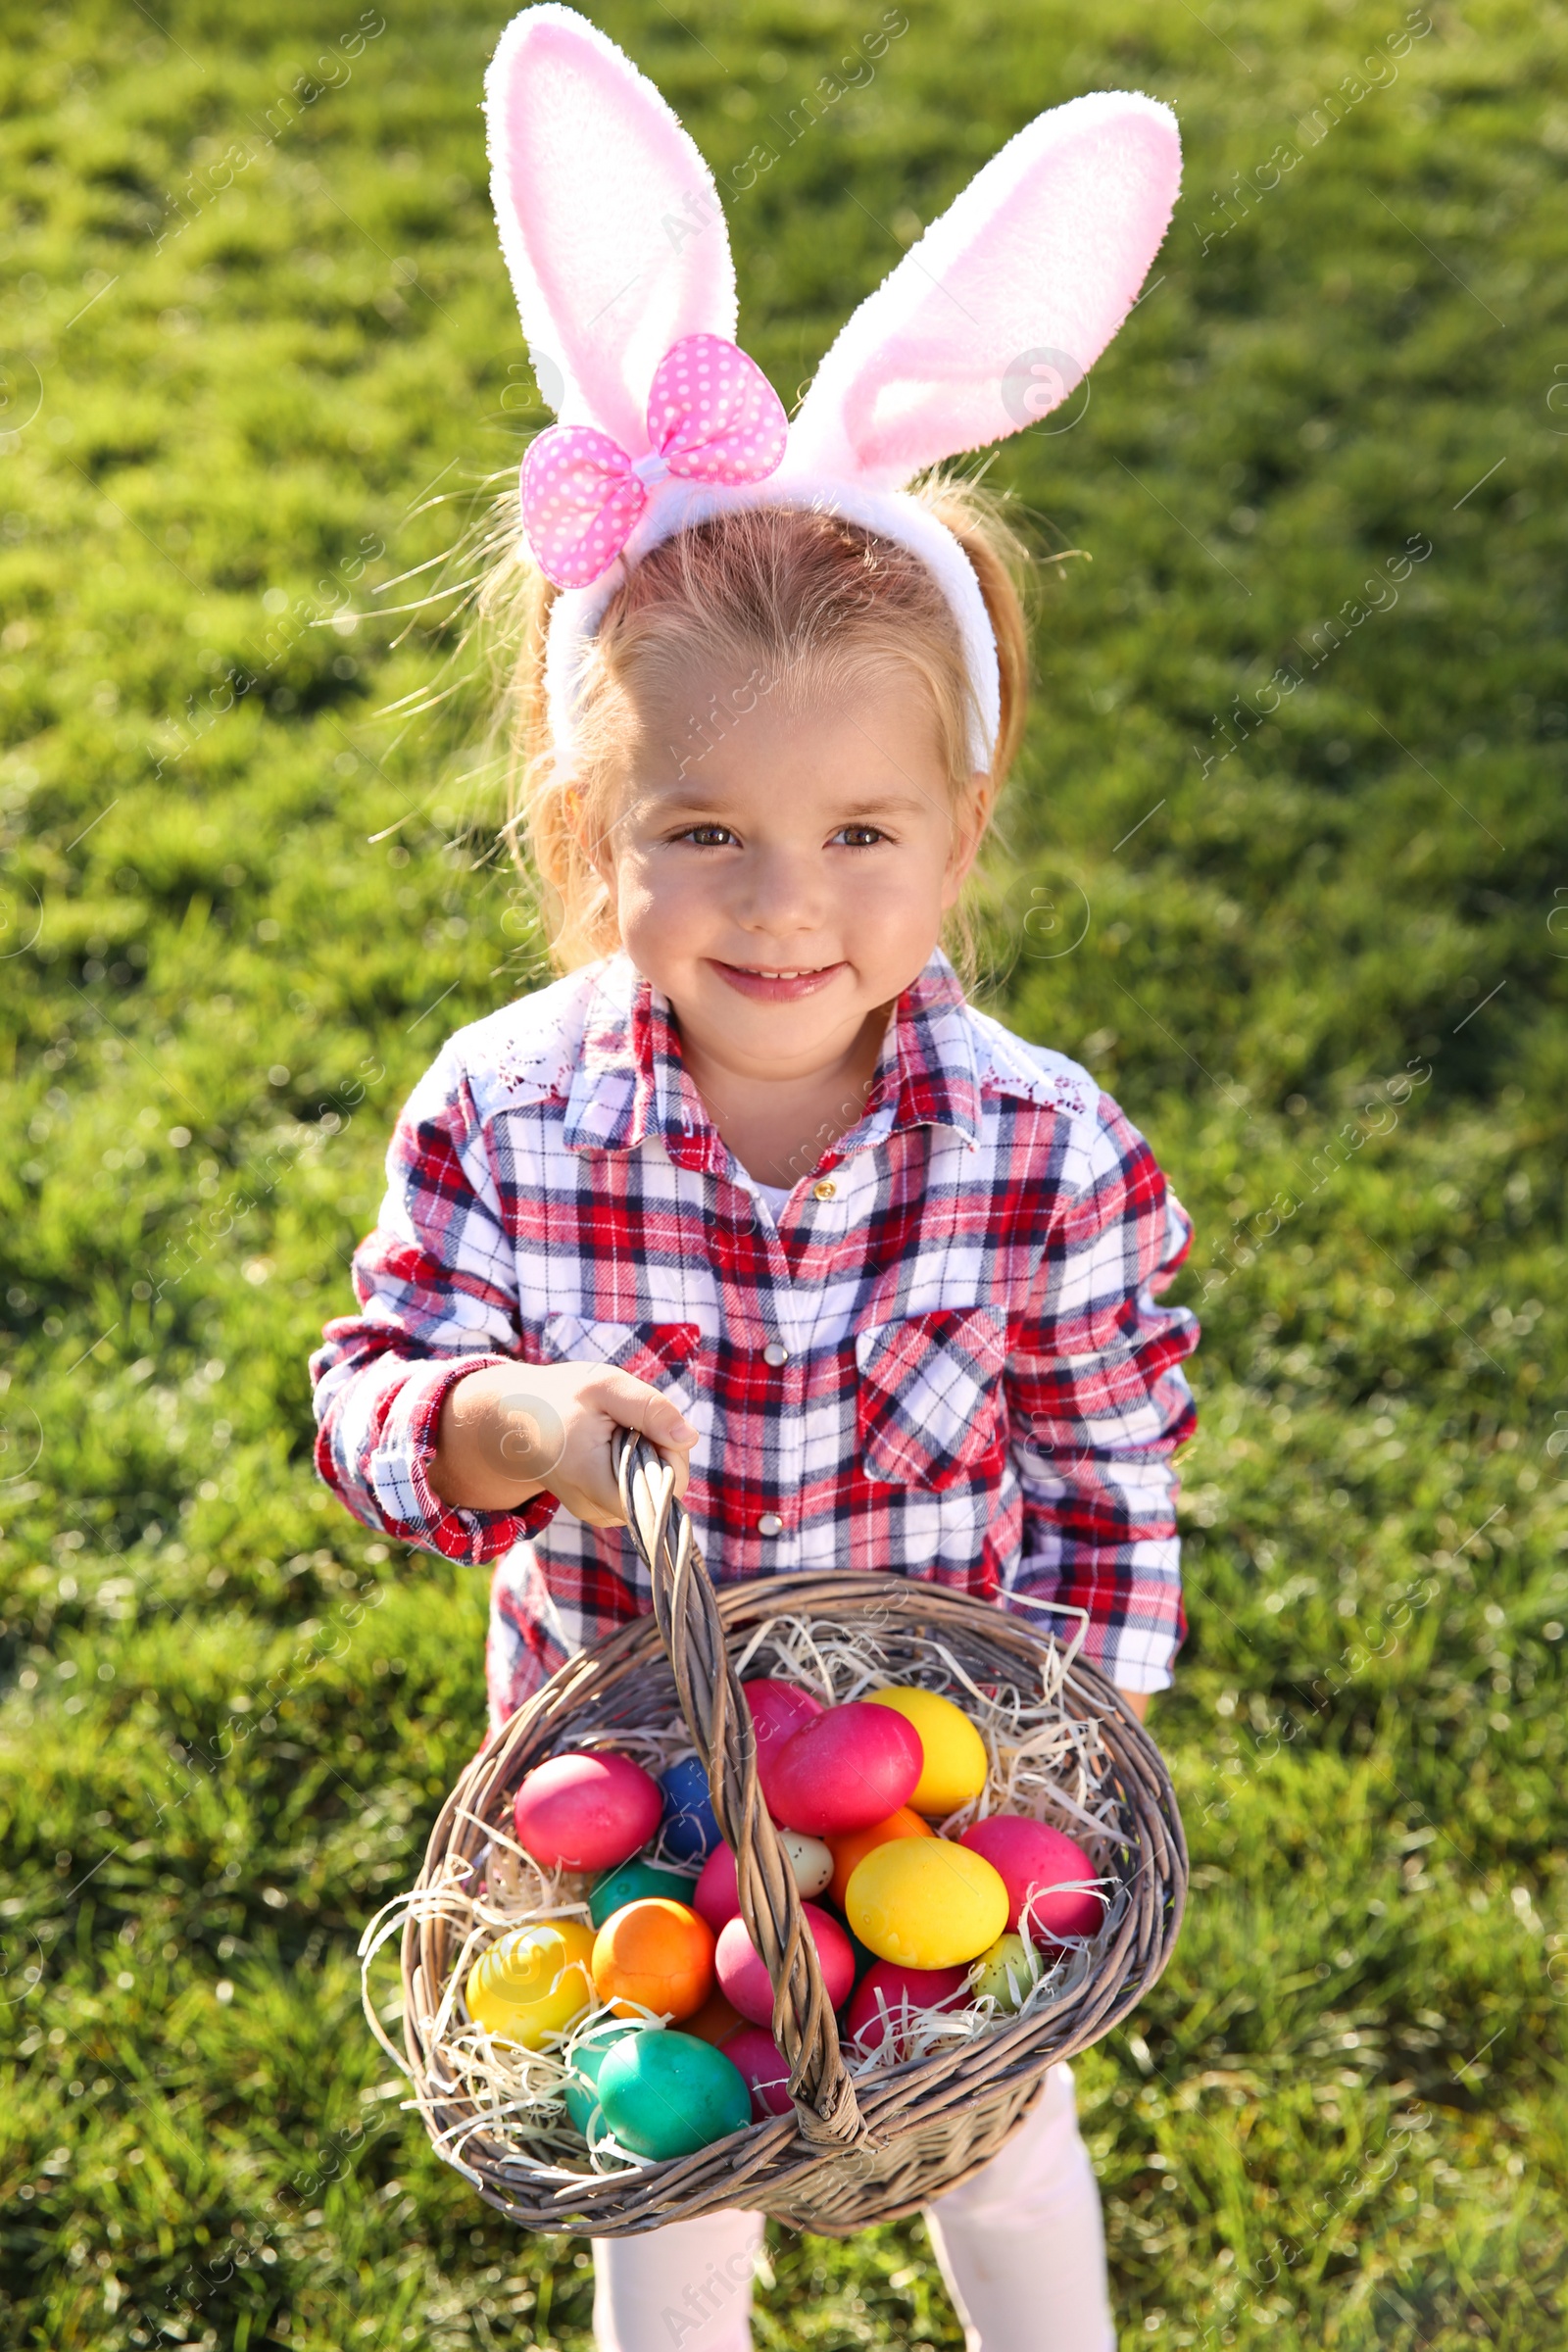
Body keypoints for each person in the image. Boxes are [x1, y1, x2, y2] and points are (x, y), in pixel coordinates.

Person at [312, 12, 1196, 2348]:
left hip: (939, 1791)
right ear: (592, 834)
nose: (780, 903)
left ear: (957, 835)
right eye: (700, 833)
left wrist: (1053, 1773)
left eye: (857, 837)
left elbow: (1110, 1464)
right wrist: (507, 1425)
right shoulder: (508, 1114)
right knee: (666, 2203)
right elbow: (368, 1397)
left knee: (1003, 2166)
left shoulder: (1038, 1148)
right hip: (627, 1790)